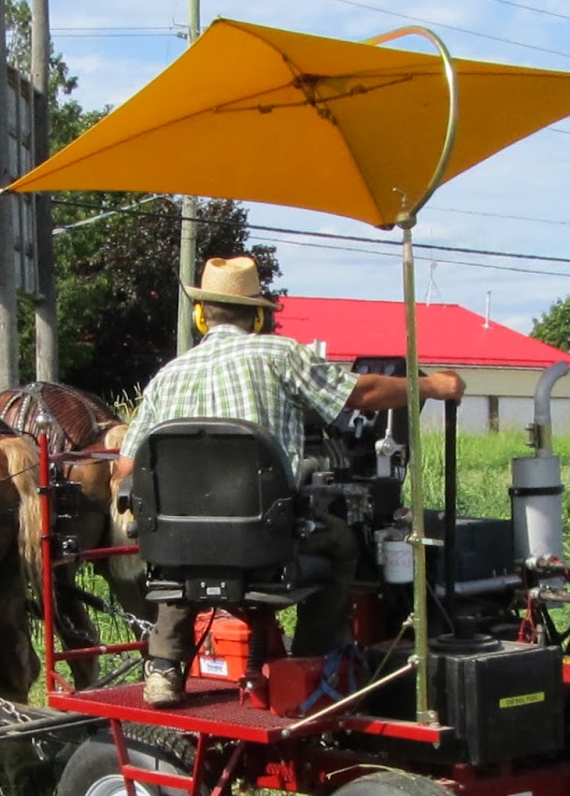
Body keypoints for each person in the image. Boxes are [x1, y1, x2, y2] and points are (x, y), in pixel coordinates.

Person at [113, 255, 466, 707]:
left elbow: (126, 470)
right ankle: (306, 661)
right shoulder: (279, 354)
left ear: (202, 316)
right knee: (342, 545)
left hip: (184, 549)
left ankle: (163, 669)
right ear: (258, 315)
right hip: (266, 543)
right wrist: (433, 386)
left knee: (183, 544)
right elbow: (361, 394)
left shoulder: (167, 376)